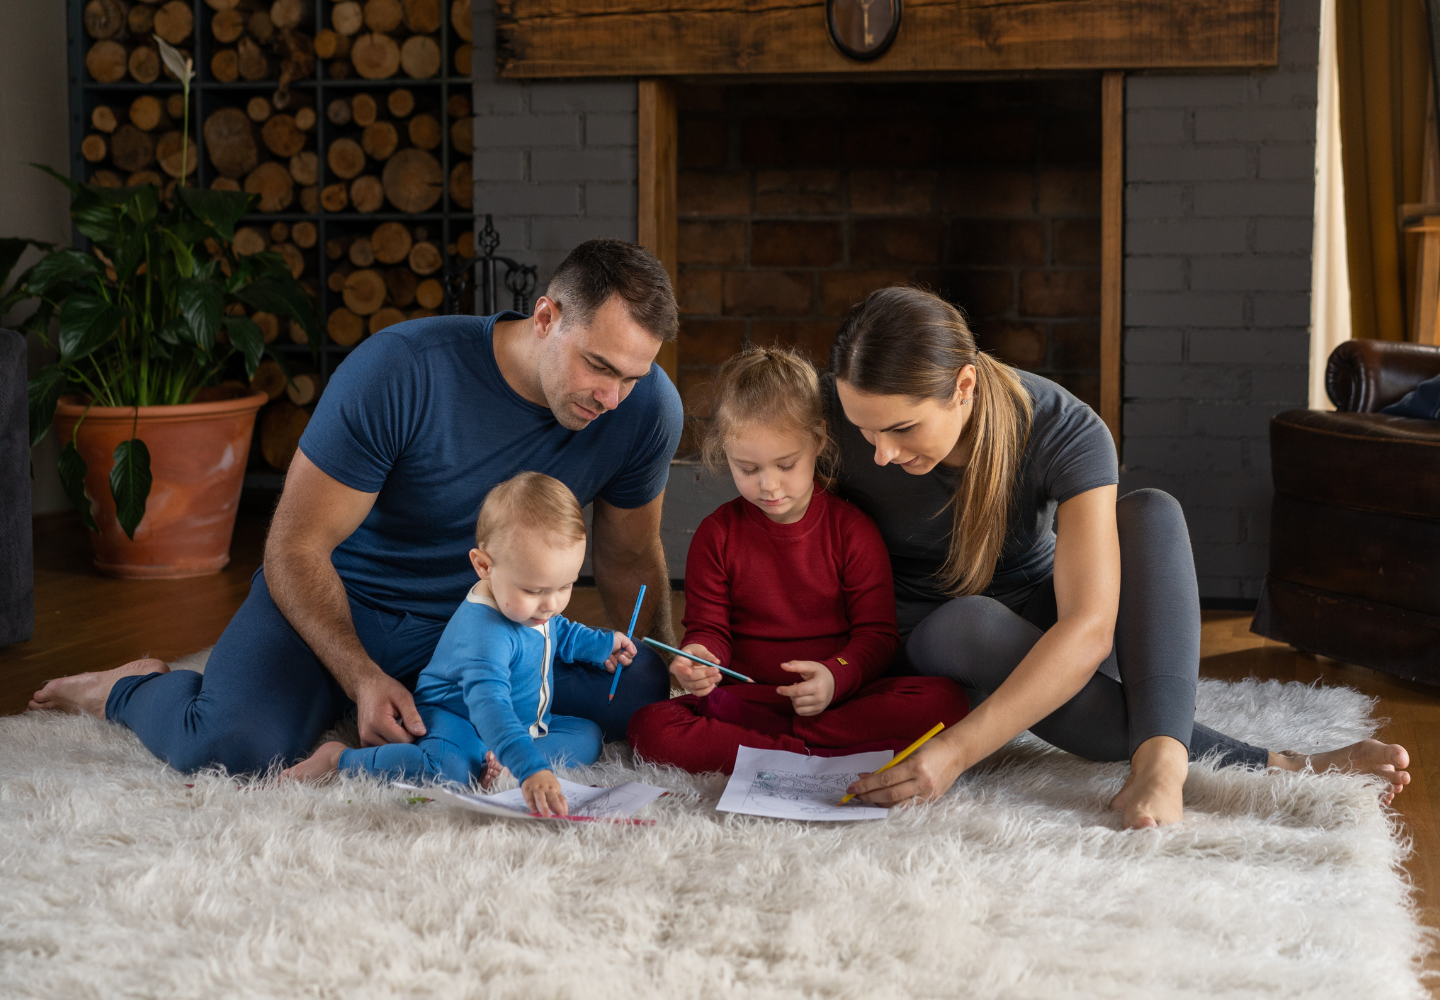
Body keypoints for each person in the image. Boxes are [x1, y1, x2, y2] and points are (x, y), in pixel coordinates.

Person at [28, 240, 684, 775]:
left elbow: (629, 553)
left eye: (633, 374)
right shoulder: (402, 371)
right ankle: (133, 687)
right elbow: (293, 548)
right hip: (346, 603)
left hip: (484, 628)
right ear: (546, 318)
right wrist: (362, 676)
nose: (614, 397)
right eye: (600, 367)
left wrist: (671, 656)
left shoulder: (645, 409)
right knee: (230, 748)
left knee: (646, 697)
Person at [825, 287, 1411, 827]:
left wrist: (953, 756)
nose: (880, 454)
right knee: (967, 622)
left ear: (965, 386)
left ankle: (1160, 764)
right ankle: (1279, 764)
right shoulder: (832, 423)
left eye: (901, 429)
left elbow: (1088, 630)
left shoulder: (1061, 426)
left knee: (1152, 510)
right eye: (865, 431)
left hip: (1053, 646)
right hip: (938, 645)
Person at [627, 344, 970, 774]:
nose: (769, 486)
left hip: (837, 699)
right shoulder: (717, 535)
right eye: (748, 469)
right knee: (650, 726)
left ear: (819, 441)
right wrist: (700, 658)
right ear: (724, 453)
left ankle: (772, 753)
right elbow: (708, 631)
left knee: (947, 702)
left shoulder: (852, 530)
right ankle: (812, 753)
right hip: (748, 701)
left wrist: (834, 676)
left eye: (786, 464)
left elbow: (877, 637)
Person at [285, 473, 634, 817]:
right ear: (483, 566)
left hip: (523, 720)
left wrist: (601, 645)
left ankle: (505, 756)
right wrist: (531, 769)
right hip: (459, 717)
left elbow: (558, 628)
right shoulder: (484, 631)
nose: (552, 604)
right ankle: (338, 760)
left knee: (587, 734)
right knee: (447, 771)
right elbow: (489, 705)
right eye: (534, 590)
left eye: (566, 585)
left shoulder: (531, 608)